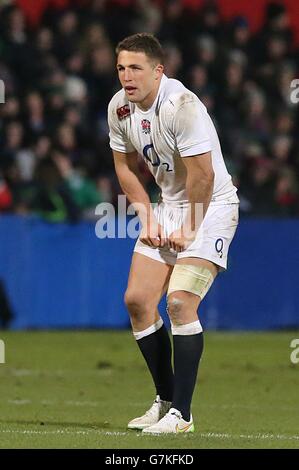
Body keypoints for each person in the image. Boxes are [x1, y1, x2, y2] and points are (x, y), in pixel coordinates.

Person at [107, 33, 239, 434]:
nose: (126, 77)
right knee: (137, 301)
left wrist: (189, 228)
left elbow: (204, 174)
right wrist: (147, 216)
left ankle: (182, 415)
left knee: (179, 304)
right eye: (121, 68)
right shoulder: (119, 108)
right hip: (168, 208)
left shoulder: (182, 107)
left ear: (158, 71)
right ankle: (164, 401)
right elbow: (125, 167)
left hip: (211, 208)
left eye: (135, 68)